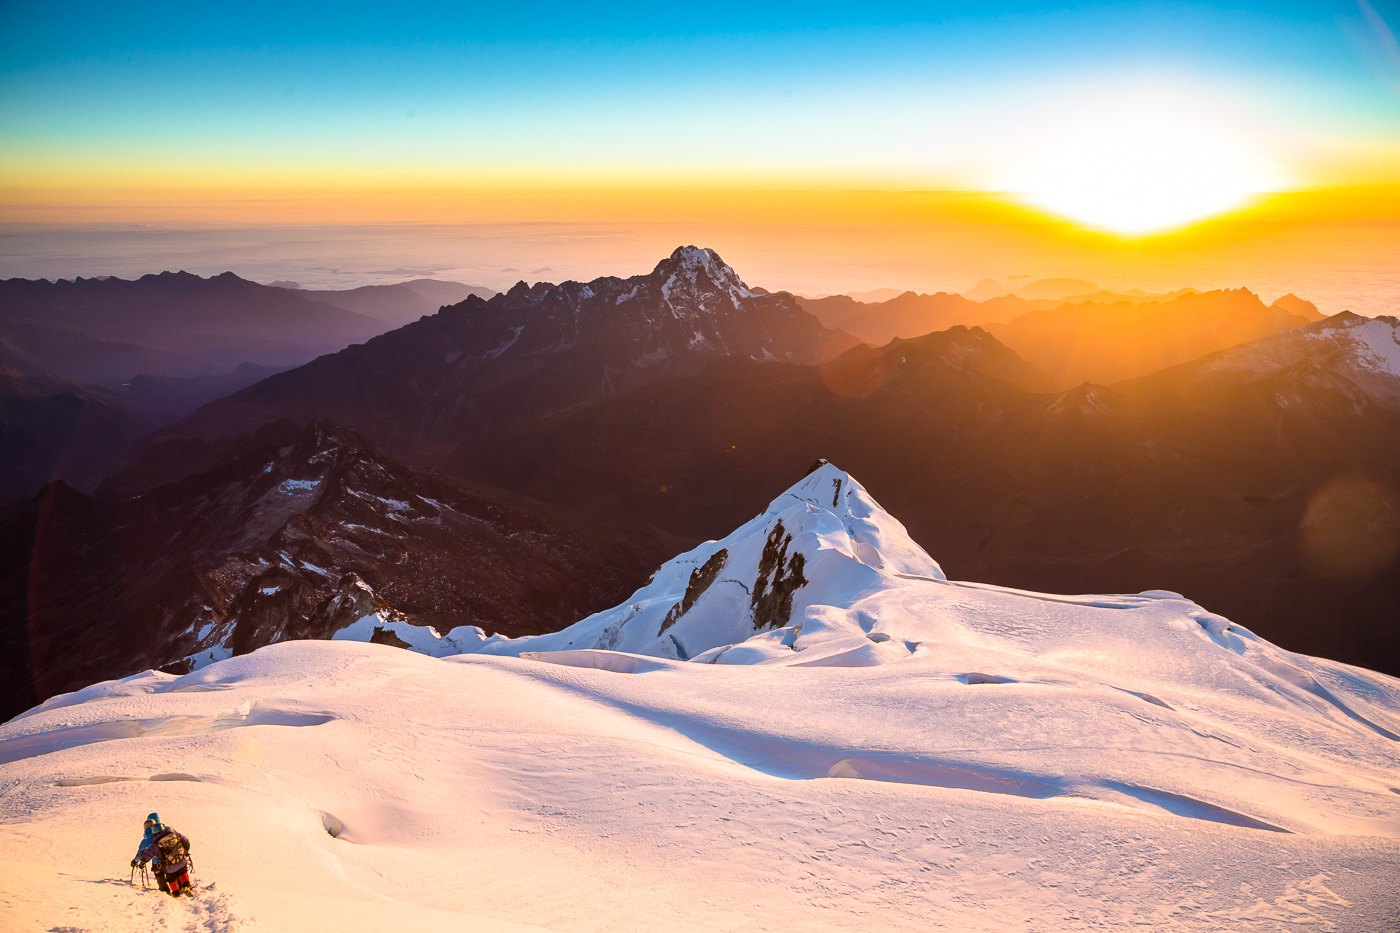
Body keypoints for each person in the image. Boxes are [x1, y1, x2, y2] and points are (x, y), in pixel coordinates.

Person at [130, 812, 193, 897]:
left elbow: (145, 856)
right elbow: (181, 839)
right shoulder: (168, 830)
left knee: (167, 876)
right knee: (180, 870)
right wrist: (184, 849)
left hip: (161, 863)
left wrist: (137, 861)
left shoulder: (148, 840)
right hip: (178, 858)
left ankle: (167, 890)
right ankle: (184, 886)